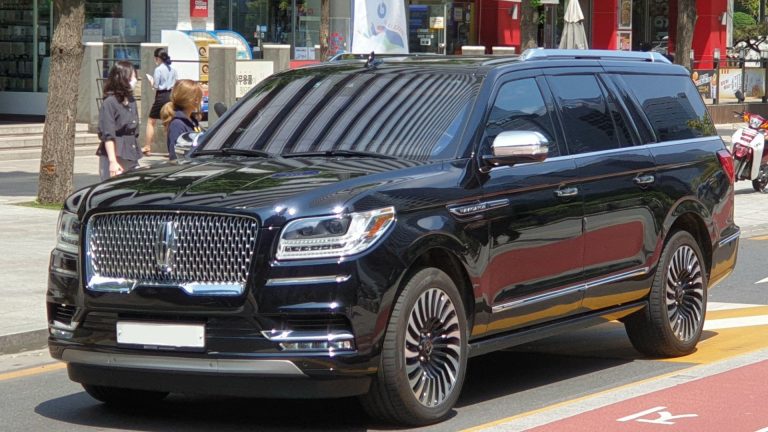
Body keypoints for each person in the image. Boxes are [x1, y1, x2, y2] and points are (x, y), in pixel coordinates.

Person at [97, 61, 142, 181]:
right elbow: (108, 135)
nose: (135, 80)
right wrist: (112, 161)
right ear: (122, 78)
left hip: (131, 154)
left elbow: (135, 130)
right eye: (132, 77)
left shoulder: (131, 100)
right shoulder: (110, 103)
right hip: (115, 156)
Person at [143, 47, 177, 154]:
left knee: (151, 121)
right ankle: (172, 149)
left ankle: (147, 146)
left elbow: (156, 85)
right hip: (171, 95)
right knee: (169, 123)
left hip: (161, 96)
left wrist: (151, 82)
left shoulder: (158, 69)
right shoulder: (173, 69)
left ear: (157, 58)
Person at [160, 79, 203, 160]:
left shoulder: (192, 121)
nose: (201, 101)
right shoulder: (177, 124)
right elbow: (175, 155)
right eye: (200, 97)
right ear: (195, 100)